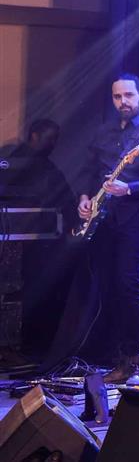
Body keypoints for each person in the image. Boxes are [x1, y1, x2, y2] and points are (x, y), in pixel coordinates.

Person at [76, 73, 139, 385]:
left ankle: (137, 362)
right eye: (117, 97)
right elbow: (90, 171)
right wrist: (84, 198)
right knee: (109, 288)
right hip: (106, 220)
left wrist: (131, 188)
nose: (123, 102)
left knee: (130, 286)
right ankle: (118, 359)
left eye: (128, 95)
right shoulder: (105, 132)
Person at [0, 119, 78, 359]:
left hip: (40, 245)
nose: (53, 143)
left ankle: (27, 347)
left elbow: (67, 200)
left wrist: (73, 223)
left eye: (56, 139)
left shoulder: (49, 169)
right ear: (34, 135)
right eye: (49, 138)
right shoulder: (11, 158)